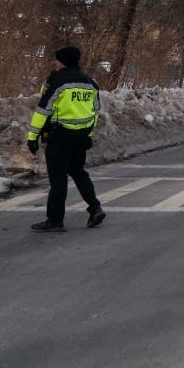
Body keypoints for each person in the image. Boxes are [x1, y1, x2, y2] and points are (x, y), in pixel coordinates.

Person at [27, 46, 105, 232]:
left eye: (57, 59)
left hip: (60, 136)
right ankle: (95, 208)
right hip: (81, 136)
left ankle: (55, 220)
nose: (55, 61)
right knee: (78, 171)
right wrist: (89, 135)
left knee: (58, 178)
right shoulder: (90, 83)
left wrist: (32, 136)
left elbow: (43, 110)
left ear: (63, 61)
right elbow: (95, 112)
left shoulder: (57, 81)